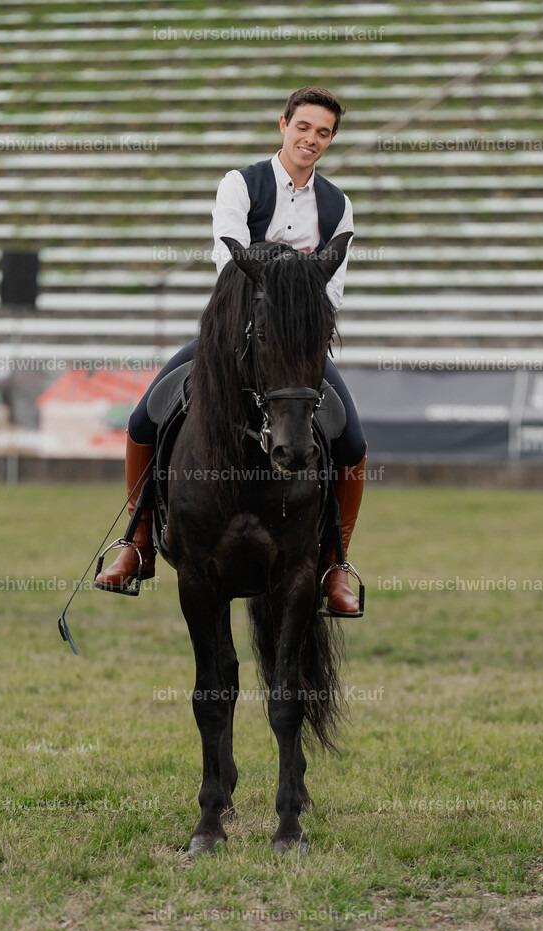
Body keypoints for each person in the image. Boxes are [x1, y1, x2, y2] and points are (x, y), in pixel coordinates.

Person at [95, 86, 367, 615]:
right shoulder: (240, 184)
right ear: (283, 125)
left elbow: (333, 288)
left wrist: (299, 320)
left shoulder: (338, 205)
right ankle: (139, 542)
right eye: (303, 127)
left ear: (332, 140)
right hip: (233, 333)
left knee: (353, 442)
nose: (311, 139)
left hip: (296, 346)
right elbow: (229, 263)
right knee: (142, 420)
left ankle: (335, 565)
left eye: (324, 133)